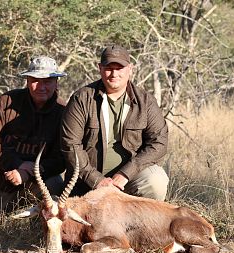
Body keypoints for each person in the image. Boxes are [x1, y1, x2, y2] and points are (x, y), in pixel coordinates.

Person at [0, 56, 67, 233]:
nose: (41, 87)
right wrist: (16, 165)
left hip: (41, 183)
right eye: (35, 80)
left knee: (55, 206)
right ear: (27, 80)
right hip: (1, 181)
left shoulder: (63, 111)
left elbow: (62, 157)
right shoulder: (7, 102)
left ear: (56, 82)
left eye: (48, 81)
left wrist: (30, 171)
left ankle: (36, 225)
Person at [61, 45, 169, 200]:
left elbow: (159, 142)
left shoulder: (146, 101)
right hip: (88, 182)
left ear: (130, 68)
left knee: (156, 182)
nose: (114, 74)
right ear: (100, 68)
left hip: (129, 180)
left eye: (120, 68)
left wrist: (126, 173)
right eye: (109, 68)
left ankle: (138, 221)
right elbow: (70, 144)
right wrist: (96, 180)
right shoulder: (81, 98)